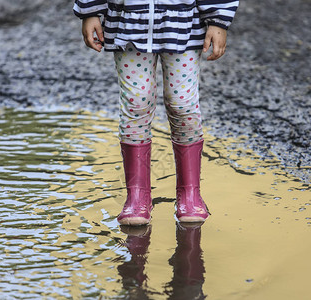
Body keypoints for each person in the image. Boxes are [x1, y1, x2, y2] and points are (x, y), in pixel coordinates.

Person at [73, 0, 239, 225]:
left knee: (182, 104)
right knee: (136, 102)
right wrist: (91, 11)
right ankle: (137, 196)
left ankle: (190, 194)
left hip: (183, 23)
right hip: (130, 23)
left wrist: (218, 19)